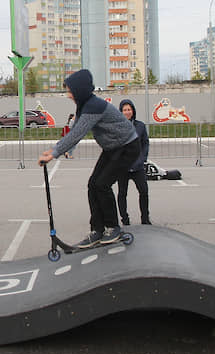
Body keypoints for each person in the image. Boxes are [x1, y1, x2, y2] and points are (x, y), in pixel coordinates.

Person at [38, 69, 140, 248]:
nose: (68, 95)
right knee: (93, 184)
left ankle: (113, 228)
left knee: (102, 184)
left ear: (80, 91)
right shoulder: (84, 105)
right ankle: (97, 230)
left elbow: (78, 133)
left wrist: (54, 154)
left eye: (70, 91)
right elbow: (76, 128)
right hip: (112, 148)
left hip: (127, 147)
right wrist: (55, 149)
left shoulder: (94, 106)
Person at [116, 99, 151, 226]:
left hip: (138, 166)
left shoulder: (140, 126)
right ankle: (125, 219)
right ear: (120, 112)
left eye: (129, 109)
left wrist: (143, 158)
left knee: (144, 191)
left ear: (133, 111)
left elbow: (145, 143)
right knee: (122, 194)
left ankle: (145, 218)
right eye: (124, 110)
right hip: (123, 167)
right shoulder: (117, 126)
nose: (127, 112)